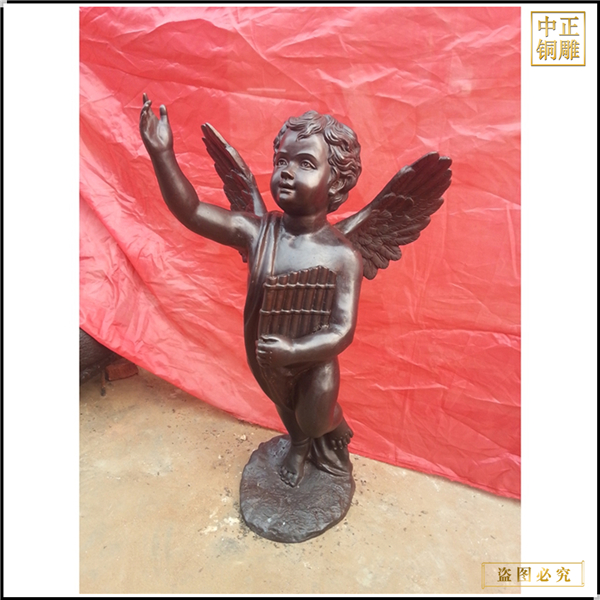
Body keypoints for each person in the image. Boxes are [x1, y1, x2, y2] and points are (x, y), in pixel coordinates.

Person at [140, 96, 363, 486]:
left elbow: (342, 331)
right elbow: (192, 211)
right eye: (281, 161)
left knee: (314, 418)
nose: (287, 172)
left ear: (337, 181)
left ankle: (335, 425)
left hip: (312, 361)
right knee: (285, 406)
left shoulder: (342, 256)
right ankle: (298, 447)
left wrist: (294, 350)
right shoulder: (258, 232)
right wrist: (162, 155)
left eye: (305, 163)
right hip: (266, 354)